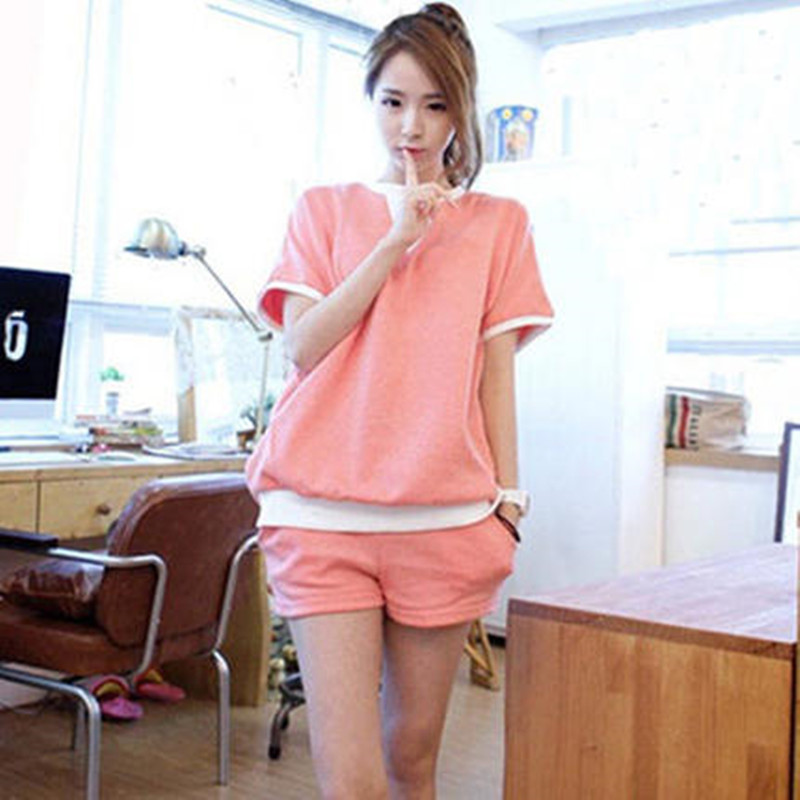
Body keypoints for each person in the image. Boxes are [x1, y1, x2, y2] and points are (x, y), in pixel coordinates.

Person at [245, 4, 554, 798]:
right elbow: (303, 345)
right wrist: (394, 242)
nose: (411, 126)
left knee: (413, 760)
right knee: (352, 782)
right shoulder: (323, 209)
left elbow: (494, 376)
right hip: (321, 517)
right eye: (393, 101)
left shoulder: (499, 225)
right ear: (372, 101)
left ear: (462, 110)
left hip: (444, 523)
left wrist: (508, 505)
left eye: (434, 104)